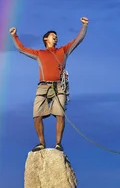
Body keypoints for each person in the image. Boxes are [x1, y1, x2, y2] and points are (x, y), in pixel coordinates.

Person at [9, 17, 88, 152]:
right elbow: (21, 49)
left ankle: (58, 144)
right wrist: (14, 35)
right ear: (46, 39)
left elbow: (78, 40)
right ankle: (41, 143)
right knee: (37, 115)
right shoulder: (39, 53)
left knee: (60, 115)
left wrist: (84, 26)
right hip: (43, 86)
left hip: (59, 87)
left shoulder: (63, 51)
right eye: (53, 36)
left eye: (56, 37)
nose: (55, 38)